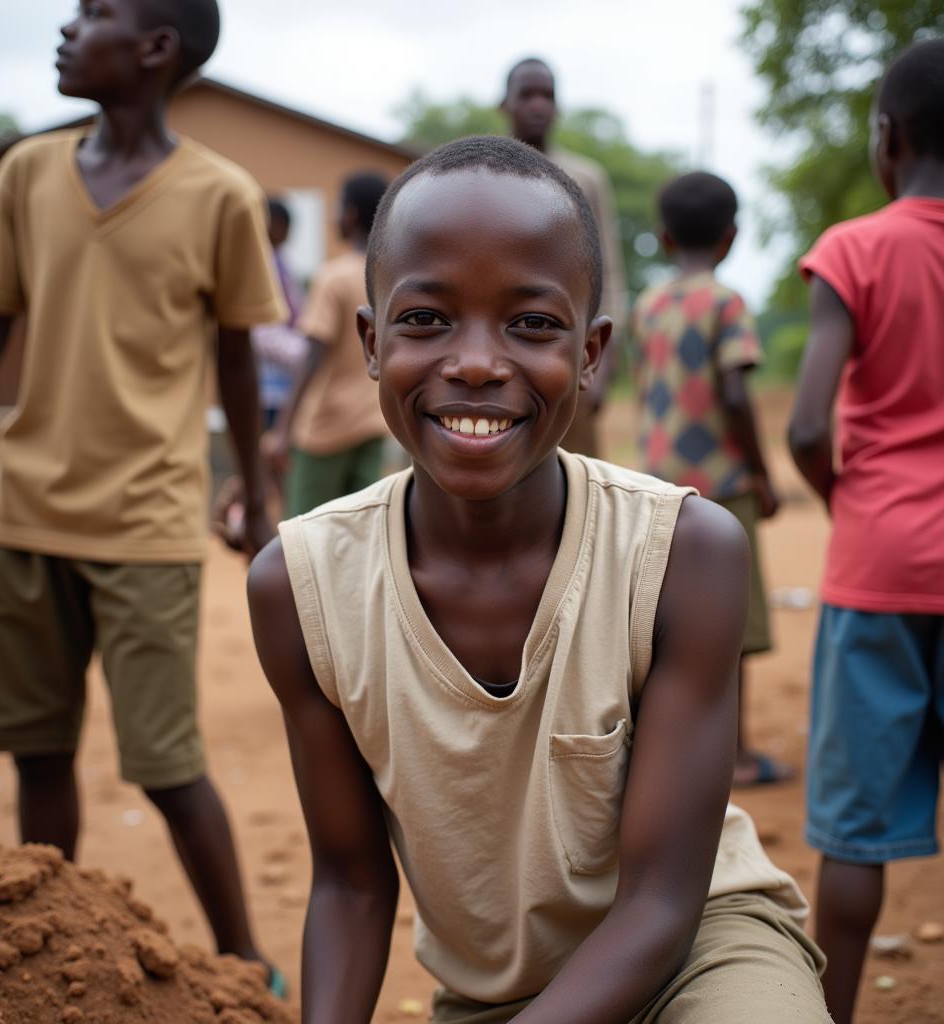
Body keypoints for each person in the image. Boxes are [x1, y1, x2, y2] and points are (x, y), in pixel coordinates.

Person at [248, 135, 830, 1023]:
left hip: (701, 953)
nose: (477, 362)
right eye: (426, 319)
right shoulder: (301, 587)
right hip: (500, 997)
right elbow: (351, 886)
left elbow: (663, 903)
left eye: (531, 324)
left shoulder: (683, 553)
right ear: (370, 342)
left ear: (592, 354)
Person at [0, 0, 287, 993]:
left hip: (148, 521)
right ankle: (51, 951)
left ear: (155, 49)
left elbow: (235, 355)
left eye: (93, 13)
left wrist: (253, 495)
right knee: (36, 750)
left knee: (167, 765)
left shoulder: (220, 195)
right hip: (26, 514)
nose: (65, 26)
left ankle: (247, 957)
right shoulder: (28, 174)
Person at [788, 37, 944, 1024]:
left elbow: (808, 424)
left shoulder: (851, 249)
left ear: (884, 140)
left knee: (851, 835)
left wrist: (843, 496)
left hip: (878, 562)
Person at [632, 171, 790, 789]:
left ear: (664, 239)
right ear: (731, 238)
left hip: (655, 485)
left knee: (664, 619)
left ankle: (661, 751)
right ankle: (737, 756)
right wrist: (760, 470)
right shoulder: (727, 303)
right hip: (721, 486)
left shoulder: (647, 305)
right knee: (732, 621)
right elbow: (734, 390)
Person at [501, 56, 627, 457]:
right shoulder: (483, 175)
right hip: (497, 347)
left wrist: (602, 364)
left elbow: (606, 271)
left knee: (576, 478)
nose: (538, 105)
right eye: (527, 94)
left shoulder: (584, 179)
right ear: (505, 104)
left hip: (565, 355)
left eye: (548, 95)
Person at [263, 172, 390, 517]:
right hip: (372, 422)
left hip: (323, 430)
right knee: (363, 531)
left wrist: (282, 429)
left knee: (305, 531)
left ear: (349, 214)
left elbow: (312, 357)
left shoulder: (334, 277)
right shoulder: (390, 274)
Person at [253, 198, 307, 431]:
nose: (286, 233)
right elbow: (261, 330)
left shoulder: (282, 262)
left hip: (282, 378)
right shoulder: (258, 263)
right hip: (266, 377)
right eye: (284, 226)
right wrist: (304, 355)